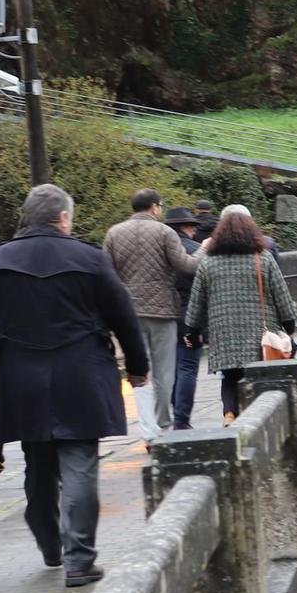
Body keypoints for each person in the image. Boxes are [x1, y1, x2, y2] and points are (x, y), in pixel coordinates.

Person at [0, 184, 147, 588]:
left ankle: (50, 545)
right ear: (64, 218)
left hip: (22, 379)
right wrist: (138, 367)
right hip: (82, 374)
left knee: (38, 467)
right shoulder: (90, 258)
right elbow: (123, 316)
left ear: (27, 218)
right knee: (80, 465)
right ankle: (79, 559)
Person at [185, 208, 297, 427]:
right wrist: (288, 324)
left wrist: (192, 330)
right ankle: (259, 418)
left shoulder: (208, 262)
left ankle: (229, 413)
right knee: (260, 376)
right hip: (260, 332)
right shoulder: (262, 258)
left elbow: (196, 301)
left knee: (229, 376)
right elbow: (281, 294)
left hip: (224, 332)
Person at [103, 188, 198, 439]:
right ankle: (163, 423)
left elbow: (106, 276)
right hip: (162, 311)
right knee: (164, 371)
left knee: (138, 371)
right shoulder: (164, 232)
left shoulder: (114, 233)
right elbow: (186, 266)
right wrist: (204, 250)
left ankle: (148, 432)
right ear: (155, 207)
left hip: (128, 313)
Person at [164, 208, 204, 429]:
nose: (194, 230)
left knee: (168, 368)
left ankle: (172, 410)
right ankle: (181, 419)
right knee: (187, 367)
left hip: (164, 314)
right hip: (189, 315)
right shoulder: (196, 250)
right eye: (192, 226)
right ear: (184, 227)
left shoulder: (160, 250)